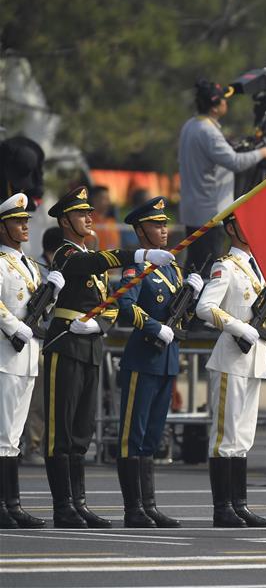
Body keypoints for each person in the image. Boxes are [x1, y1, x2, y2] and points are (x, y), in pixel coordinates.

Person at [43, 186, 175, 529]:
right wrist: (138, 256)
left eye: (90, 212)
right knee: (62, 430)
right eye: (81, 214)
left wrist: (99, 324)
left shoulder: (93, 254)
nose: (90, 218)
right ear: (64, 220)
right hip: (65, 344)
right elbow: (91, 263)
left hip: (90, 346)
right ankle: (63, 507)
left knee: (82, 431)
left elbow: (113, 303)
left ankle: (79, 504)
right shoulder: (66, 254)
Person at [114, 197, 203, 527]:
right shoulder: (137, 268)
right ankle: (133, 508)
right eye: (156, 224)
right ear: (140, 231)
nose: (164, 229)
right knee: (133, 435)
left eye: (165, 223)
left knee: (152, 436)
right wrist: (155, 327)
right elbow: (126, 305)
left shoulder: (172, 268)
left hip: (167, 360)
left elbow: (183, 318)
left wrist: (193, 296)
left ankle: (148, 505)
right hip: (143, 358)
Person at [195, 214, 266, 528]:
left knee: (243, 438)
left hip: (254, 359)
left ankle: (239, 504)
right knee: (225, 437)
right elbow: (204, 307)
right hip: (230, 358)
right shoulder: (224, 266)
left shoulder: (260, 267)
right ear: (231, 228)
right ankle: (222, 507)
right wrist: (238, 326)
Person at [0, 193, 64, 528]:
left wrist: (52, 293)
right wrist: (14, 327)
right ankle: (4, 505)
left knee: (13, 435)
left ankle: (12, 505)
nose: (25, 226)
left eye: (26, 221)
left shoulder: (31, 266)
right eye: (17, 221)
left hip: (26, 357)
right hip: (5, 357)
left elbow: (40, 312)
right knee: (2, 435)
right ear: (3, 226)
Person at [178, 80, 266, 275]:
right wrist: (263, 152)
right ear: (215, 107)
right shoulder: (208, 131)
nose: (226, 103)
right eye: (223, 100)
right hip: (210, 213)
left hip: (192, 210)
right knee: (207, 271)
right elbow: (235, 162)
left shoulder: (190, 125)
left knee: (194, 269)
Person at [22, 227, 64, 465]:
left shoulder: (55, 269)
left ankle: (46, 443)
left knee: (51, 396)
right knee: (38, 398)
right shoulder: (37, 269)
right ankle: (34, 445)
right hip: (35, 340)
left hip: (53, 340)